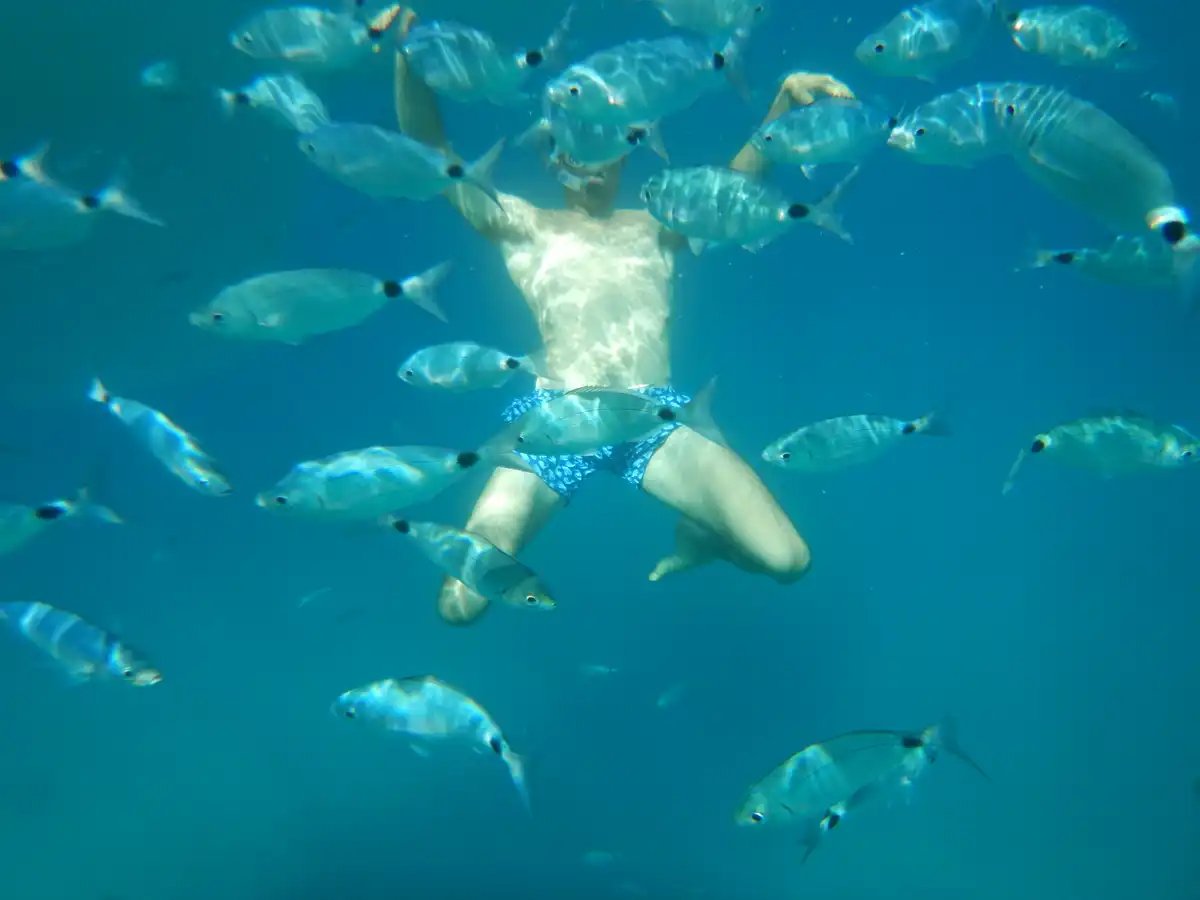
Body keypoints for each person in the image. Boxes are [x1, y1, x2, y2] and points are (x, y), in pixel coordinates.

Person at [393, 33, 856, 624]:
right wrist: (409, 62)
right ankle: (705, 535)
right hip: (554, 422)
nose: (588, 161)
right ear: (552, 153)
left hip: (654, 419)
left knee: (789, 559)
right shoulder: (523, 225)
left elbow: (728, 187)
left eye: (603, 142)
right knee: (463, 600)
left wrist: (785, 102)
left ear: (626, 147)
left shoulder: (657, 225)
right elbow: (429, 153)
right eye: (573, 144)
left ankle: (706, 539)